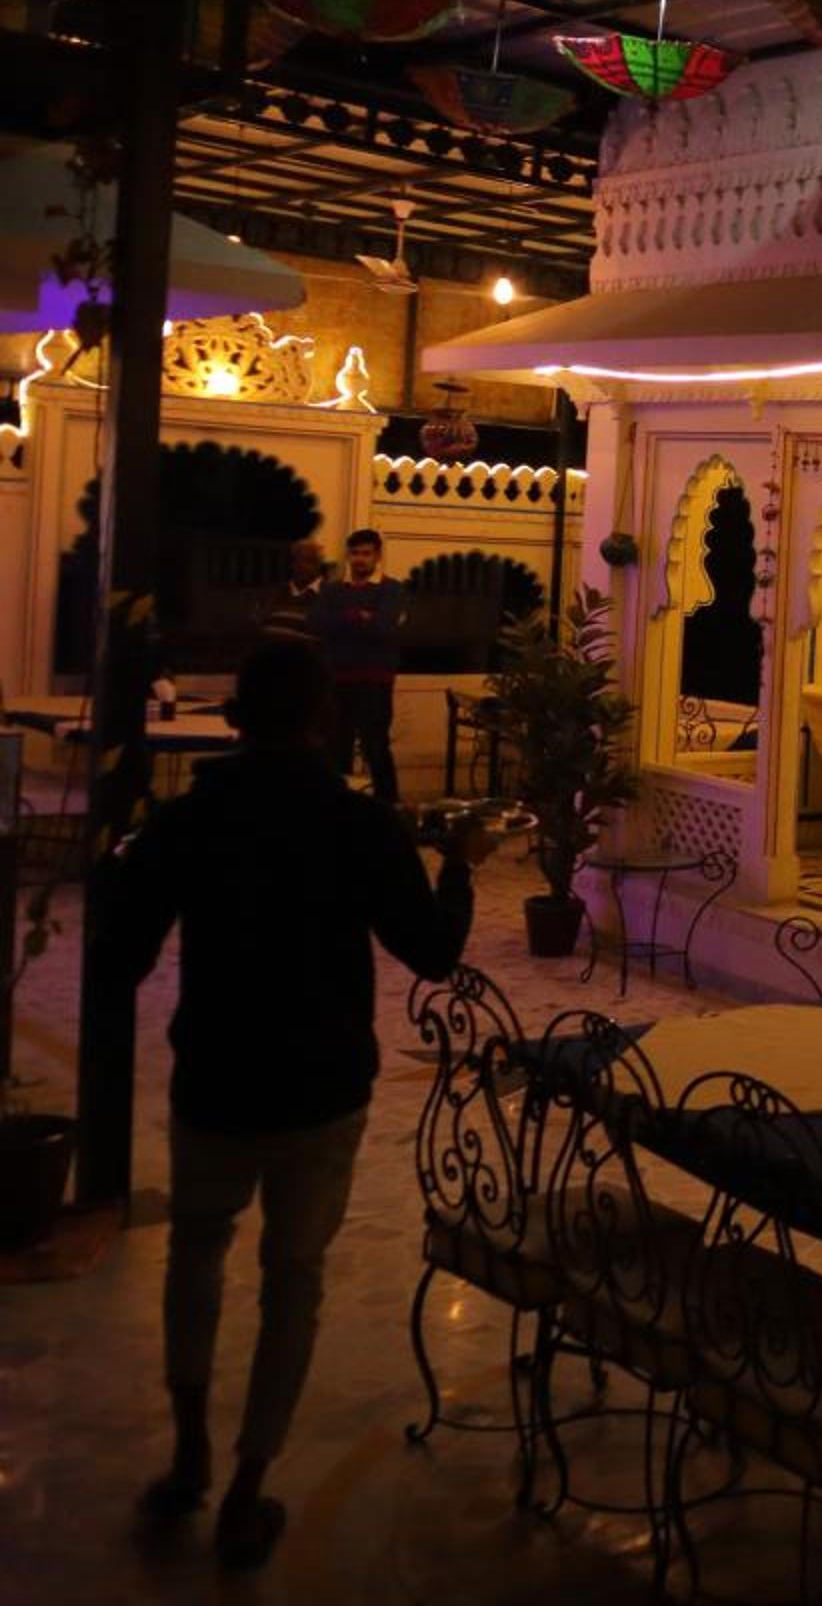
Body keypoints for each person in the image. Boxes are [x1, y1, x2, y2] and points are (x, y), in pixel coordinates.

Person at [102, 637, 485, 1569]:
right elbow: (433, 952)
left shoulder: (192, 818)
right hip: (321, 1086)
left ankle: (190, 1452)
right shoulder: (358, 823)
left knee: (196, 1257)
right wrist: (460, 867)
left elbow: (120, 957)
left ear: (235, 717)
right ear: (324, 719)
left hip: (216, 1079)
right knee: (293, 1278)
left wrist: (127, 870)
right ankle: (247, 1485)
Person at [310, 527, 403, 803]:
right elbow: (316, 623)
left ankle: (389, 807)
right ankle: (340, 808)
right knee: (336, 748)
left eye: (366, 553)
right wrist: (359, 616)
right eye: (355, 553)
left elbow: (383, 628)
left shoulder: (391, 588)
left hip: (374, 682)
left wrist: (342, 621)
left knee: (376, 747)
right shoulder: (332, 589)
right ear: (348, 556)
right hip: (336, 680)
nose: (360, 559)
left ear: (377, 556)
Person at [258, 539, 324, 643]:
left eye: (309, 561)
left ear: (318, 565)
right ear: (291, 564)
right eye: (297, 560)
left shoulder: (329, 594)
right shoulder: (273, 592)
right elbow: (256, 626)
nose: (302, 566)